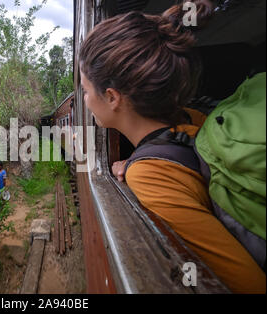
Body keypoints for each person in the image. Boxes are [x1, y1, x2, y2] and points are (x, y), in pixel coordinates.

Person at [79, 0, 265, 293]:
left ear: (112, 97)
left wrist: (145, 168)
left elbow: (249, 283)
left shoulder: (149, 176)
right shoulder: (195, 120)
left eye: (86, 91)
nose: (86, 101)